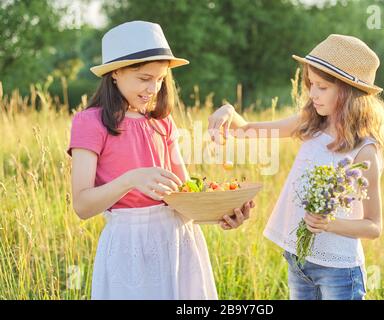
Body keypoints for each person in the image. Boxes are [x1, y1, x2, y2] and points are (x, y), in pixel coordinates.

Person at [67, 21, 253, 300]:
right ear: (115, 72)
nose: (153, 88)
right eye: (144, 78)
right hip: (128, 244)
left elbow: (184, 194)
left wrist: (221, 213)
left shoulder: (162, 121)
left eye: (160, 78)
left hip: (178, 238)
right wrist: (131, 179)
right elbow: (82, 205)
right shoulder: (90, 122)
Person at [207, 34, 384, 300]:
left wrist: (329, 223)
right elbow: (247, 130)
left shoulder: (364, 151)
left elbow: (374, 226)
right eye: (311, 84)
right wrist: (228, 111)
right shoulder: (311, 123)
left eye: (322, 87)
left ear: (350, 92)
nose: (312, 93)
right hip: (298, 260)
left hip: (338, 271)